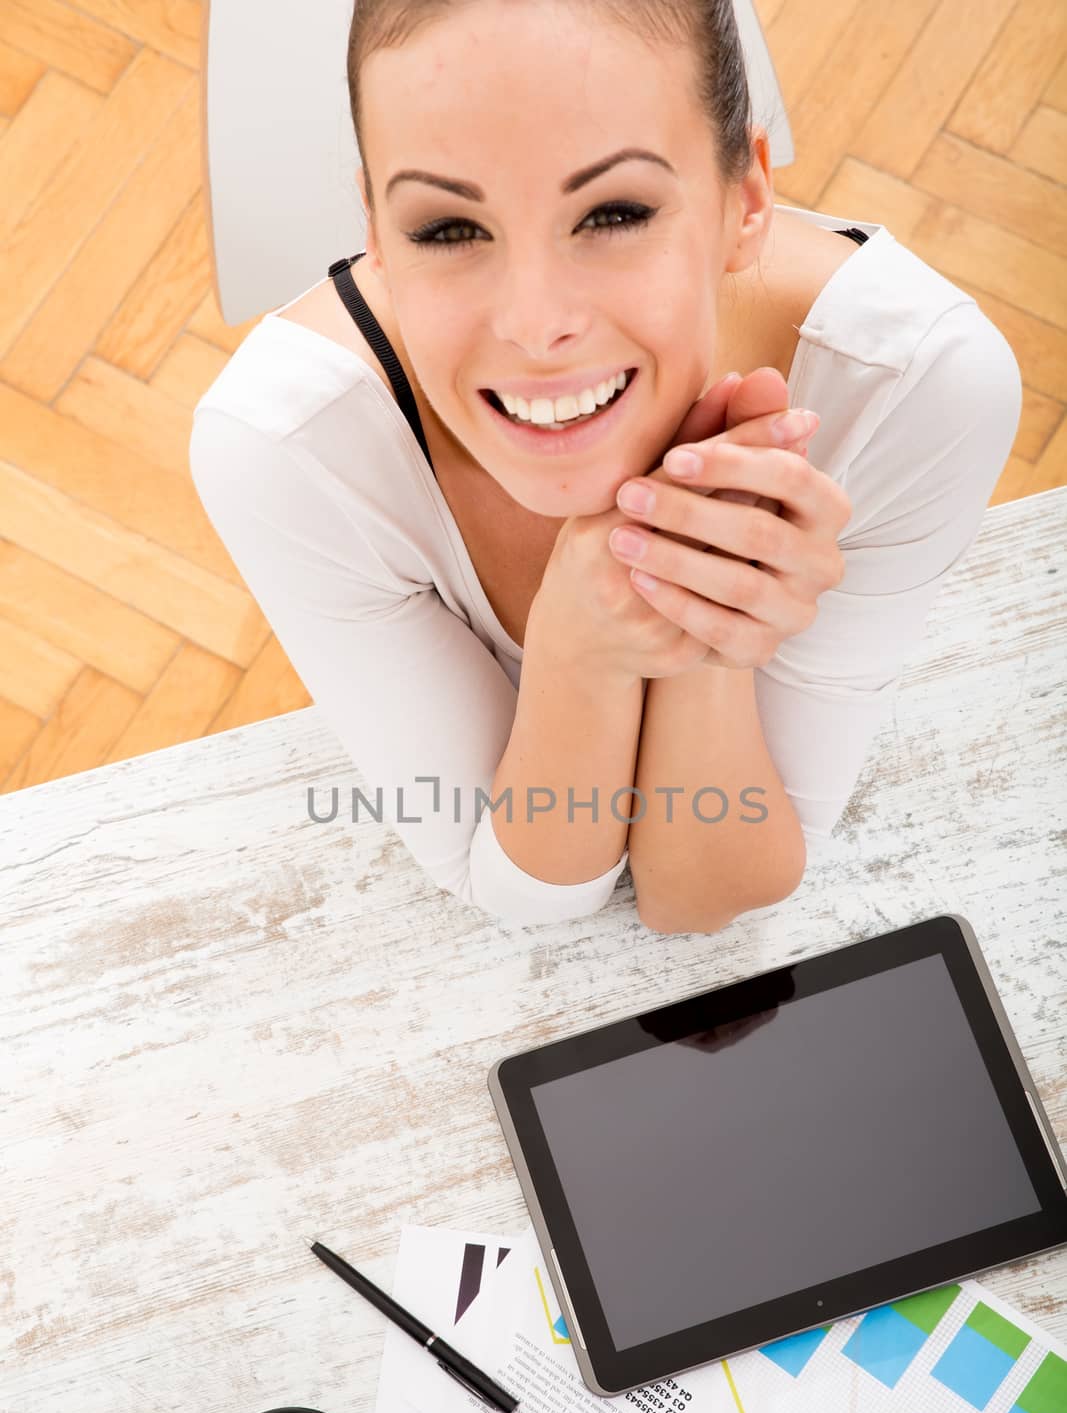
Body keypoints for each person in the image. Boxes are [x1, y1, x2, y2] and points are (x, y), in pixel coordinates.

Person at [189, 0, 1022, 932]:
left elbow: (705, 892)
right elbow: (518, 893)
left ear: (745, 201)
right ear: (376, 234)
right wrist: (575, 651)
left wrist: (695, 619)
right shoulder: (286, 452)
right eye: (448, 229)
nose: (536, 324)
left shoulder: (915, 386)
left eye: (614, 213)